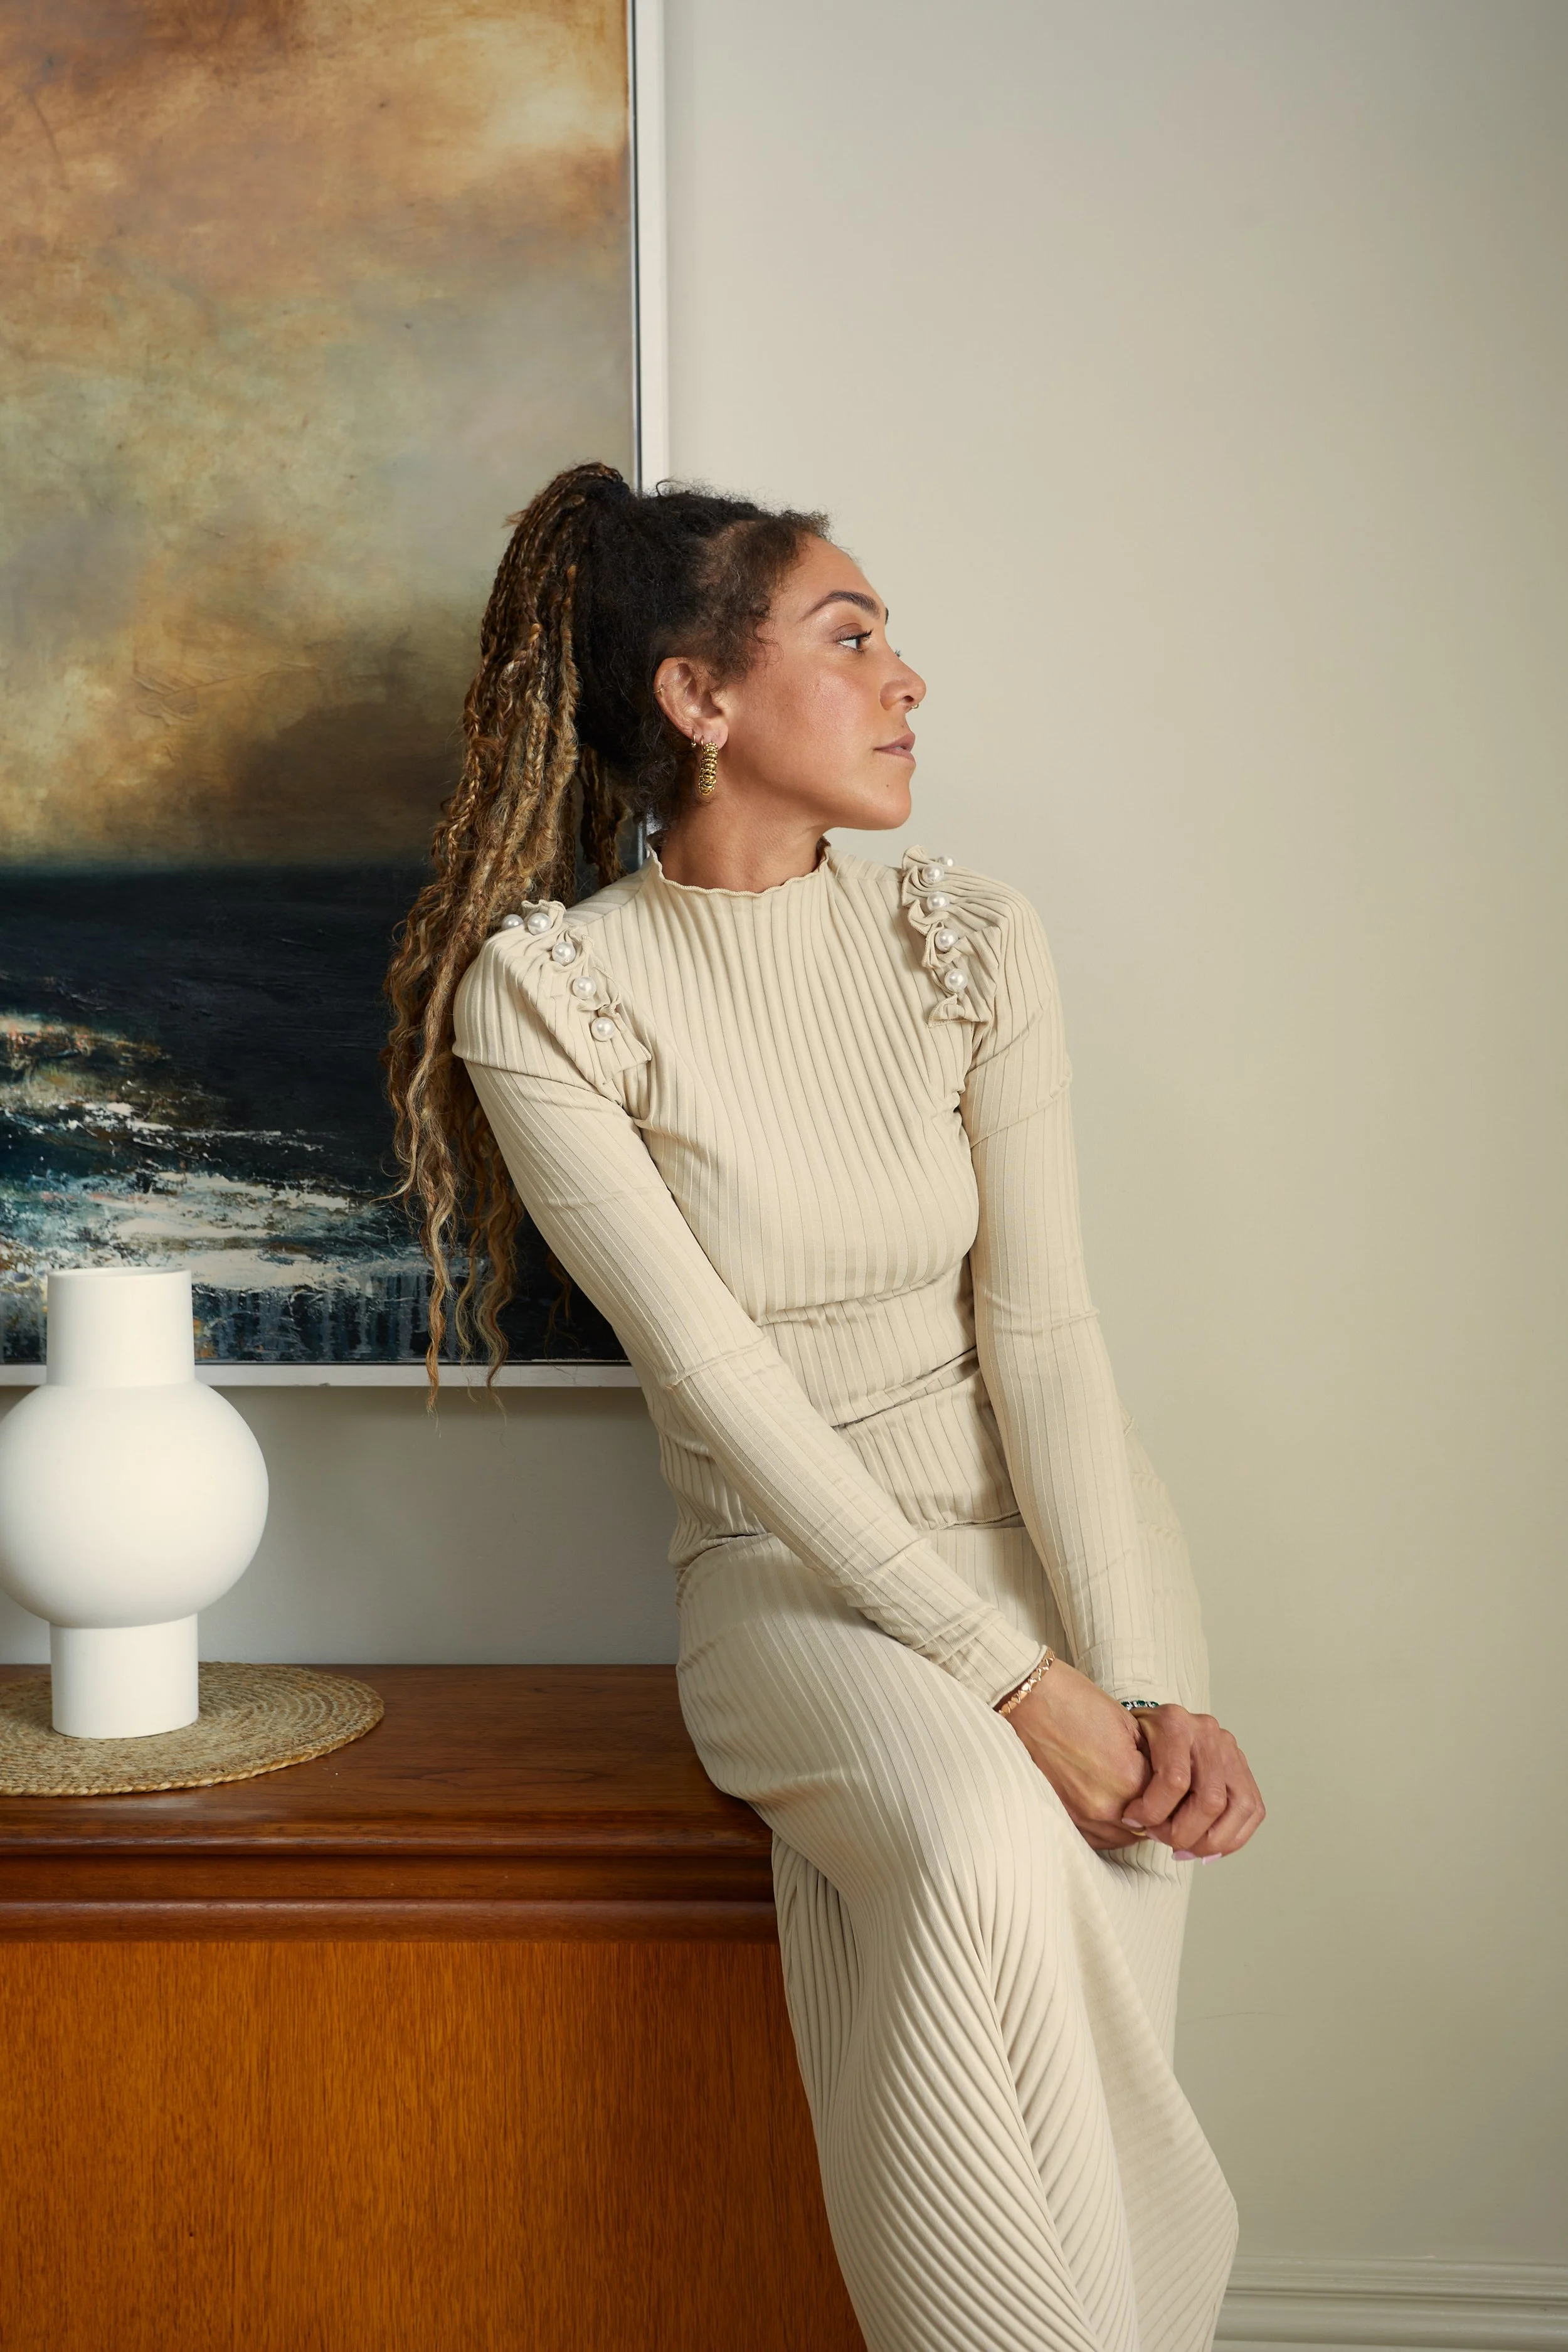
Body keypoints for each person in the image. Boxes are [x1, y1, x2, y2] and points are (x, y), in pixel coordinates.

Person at [384, 460, 1265, 2352]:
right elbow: (720, 1381)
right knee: (968, 1845)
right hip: (789, 1578)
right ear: (698, 698)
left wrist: (1133, 1672)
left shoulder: (968, 940)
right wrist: (1015, 1682)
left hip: (1066, 1544)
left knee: (1098, 1855)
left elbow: (1040, 1331)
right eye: (850, 636)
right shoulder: (548, 998)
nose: (907, 680)